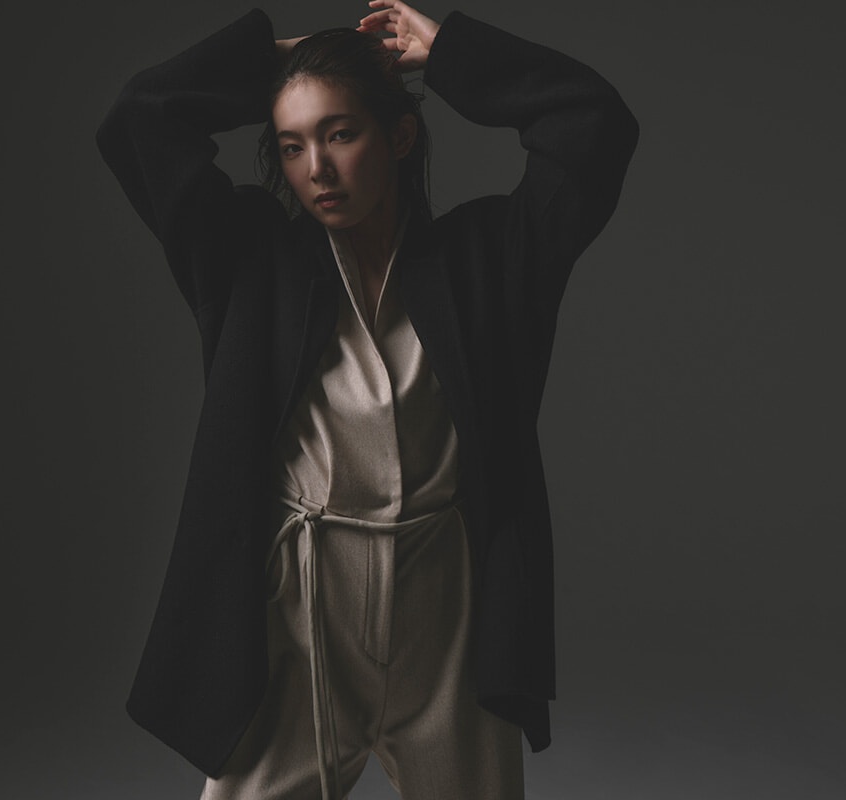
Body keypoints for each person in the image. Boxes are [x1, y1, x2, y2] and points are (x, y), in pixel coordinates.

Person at [95, 1, 639, 798]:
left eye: (341, 133)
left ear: (399, 137)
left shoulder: (488, 261)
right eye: (292, 146)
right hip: (302, 618)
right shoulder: (249, 260)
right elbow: (139, 120)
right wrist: (276, 59)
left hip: (447, 623)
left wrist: (448, 54)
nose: (316, 167)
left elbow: (593, 124)